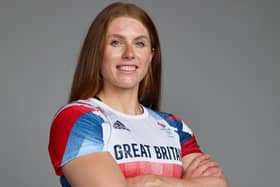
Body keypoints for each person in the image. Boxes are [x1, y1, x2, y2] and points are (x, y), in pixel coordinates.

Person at [48, 2, 229, 187]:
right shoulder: (78, 118)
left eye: (139, 43)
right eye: (116, 42)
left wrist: (153, 182)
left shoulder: (175, 127)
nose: (129, 54)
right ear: (97, 51)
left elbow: (219, 184)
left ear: (150, 56)